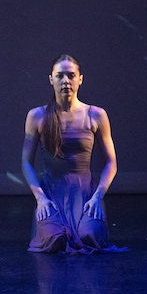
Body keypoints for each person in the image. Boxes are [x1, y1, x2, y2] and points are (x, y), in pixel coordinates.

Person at [21, 55, 127, 253]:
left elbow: (111, 162)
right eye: (60, 76)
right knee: (55, 239)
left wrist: (97, 196)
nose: (65, 81)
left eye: (71, 75)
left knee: (89, 236)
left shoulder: (96, 114)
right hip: (51, 193)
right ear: (51, 79)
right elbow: (26, 162)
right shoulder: (37, 116)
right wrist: (40, 198)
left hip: (86, 194)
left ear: (80, 79)